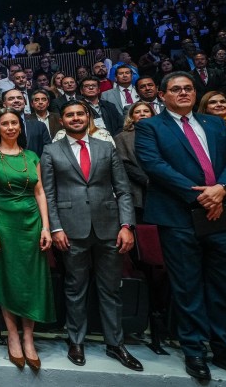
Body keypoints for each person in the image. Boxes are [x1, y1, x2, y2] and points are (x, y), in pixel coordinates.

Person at [135, 72, 226, 380]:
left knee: (225, 285)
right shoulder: (150, 126)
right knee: (188, 286)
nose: (183, 93)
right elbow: (154, 166)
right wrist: (202, 196)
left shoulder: (215, 124)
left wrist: (222, 189)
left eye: (188, 88)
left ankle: (225, 348)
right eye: (176, 89)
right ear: (162, 95)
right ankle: (194, 350)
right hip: (178, 217)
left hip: (221, 214)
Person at [41, 101, 142, 372]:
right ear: (62, 121)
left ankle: (115, 343)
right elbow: (48, 194)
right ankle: (76, 341)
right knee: (75, 288)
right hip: (71, 230)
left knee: (111, 289)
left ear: (88, 117)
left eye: (79, 114)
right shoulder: (51, 151)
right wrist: (56, 228)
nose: (75, 118)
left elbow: (123, 190)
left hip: (109, 228)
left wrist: (127, 225)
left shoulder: (106, 147)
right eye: (69, 115)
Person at [0, 109, 54, 371]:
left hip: (32, 224)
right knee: (7, 278)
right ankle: (13, 336)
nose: (10, 127)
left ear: (20, 127)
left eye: (14, 123)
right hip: (3, 223)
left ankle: (29, 338)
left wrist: (46, 227)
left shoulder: (31, 156)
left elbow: (40, 192)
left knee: (31, 279)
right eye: (5, 124)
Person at [113, 101, 153, 223]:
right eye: (137, 112)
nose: (142, 114)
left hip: (166, 187)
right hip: (139, 189)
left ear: (152, 114)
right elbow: (124, 164)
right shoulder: (122, 137)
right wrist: (147, 180)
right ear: (131, 117)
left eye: (146, 111)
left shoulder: (164, 133)